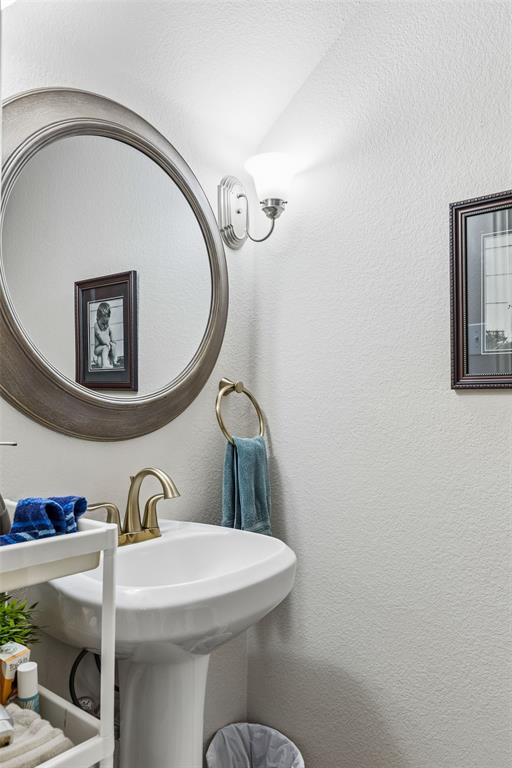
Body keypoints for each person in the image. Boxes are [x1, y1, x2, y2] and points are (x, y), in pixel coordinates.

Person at [93, 302, 118, 368]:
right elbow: (99, 336)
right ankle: (105, 364)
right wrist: (106, 343)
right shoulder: (96, 325)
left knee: (113, 345)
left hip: (107, 348)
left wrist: (112, 343)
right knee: (105, 347)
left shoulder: (108, 326)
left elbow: (112, 338)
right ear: (98, 318)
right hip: (98, 348)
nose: (104, 325)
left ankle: (113, 361)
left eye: (106, 322)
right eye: (102, 323)